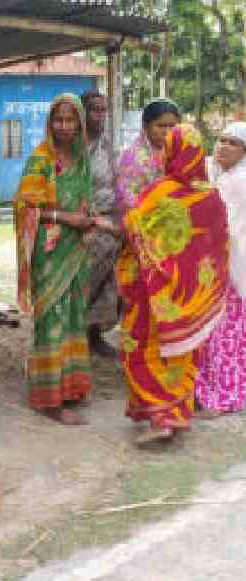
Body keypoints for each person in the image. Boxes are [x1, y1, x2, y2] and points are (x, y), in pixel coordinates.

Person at [118, 124, 229, 444]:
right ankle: (176, 415)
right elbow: (217, 247)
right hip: (191, 298)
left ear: (172, 152)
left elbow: (132, 227)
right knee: (183, 353)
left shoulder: (160, 192)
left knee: (141, 349)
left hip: (154, 294)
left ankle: (160, 418)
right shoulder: (212, 196)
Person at [15, 93, 113, 425]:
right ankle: (50, 399)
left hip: (77, 249)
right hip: (50, 249)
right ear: (49, 123)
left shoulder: (81, 157)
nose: (65, 126)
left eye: (72, 120)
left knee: (74, 316)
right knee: (52, 320)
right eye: (59, 119)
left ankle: (71, 388)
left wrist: (89, 218)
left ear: (80, 123)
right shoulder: (41, 159)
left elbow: (85, 198)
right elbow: (28, 208)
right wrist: (69, 219)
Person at [194, 122, 246, 413]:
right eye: (221, 140)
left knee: (226, 335)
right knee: (224, 335)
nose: (223, 146)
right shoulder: (223, 177)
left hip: (232, 270)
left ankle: (224, 396)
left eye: (233, 143)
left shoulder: (238, 182)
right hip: (223, 268)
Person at [81, 90, 122, 357]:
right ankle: (75, 338)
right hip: (83, 225)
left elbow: (118, 183)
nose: (100, 115)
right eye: (94, 109)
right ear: (82, 113)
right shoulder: (73, 148)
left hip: (111, 224)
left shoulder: (108, 146)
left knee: (110, 285)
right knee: (85, 285)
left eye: (103, 110)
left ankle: (95, 336)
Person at [116, 99, 181, 218]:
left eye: (172, 126)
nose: (167, 132)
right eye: (160, 126)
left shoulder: (182, 153)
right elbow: (128, 201)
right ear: (145, 126)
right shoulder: (131, 158)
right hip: (143, 224)